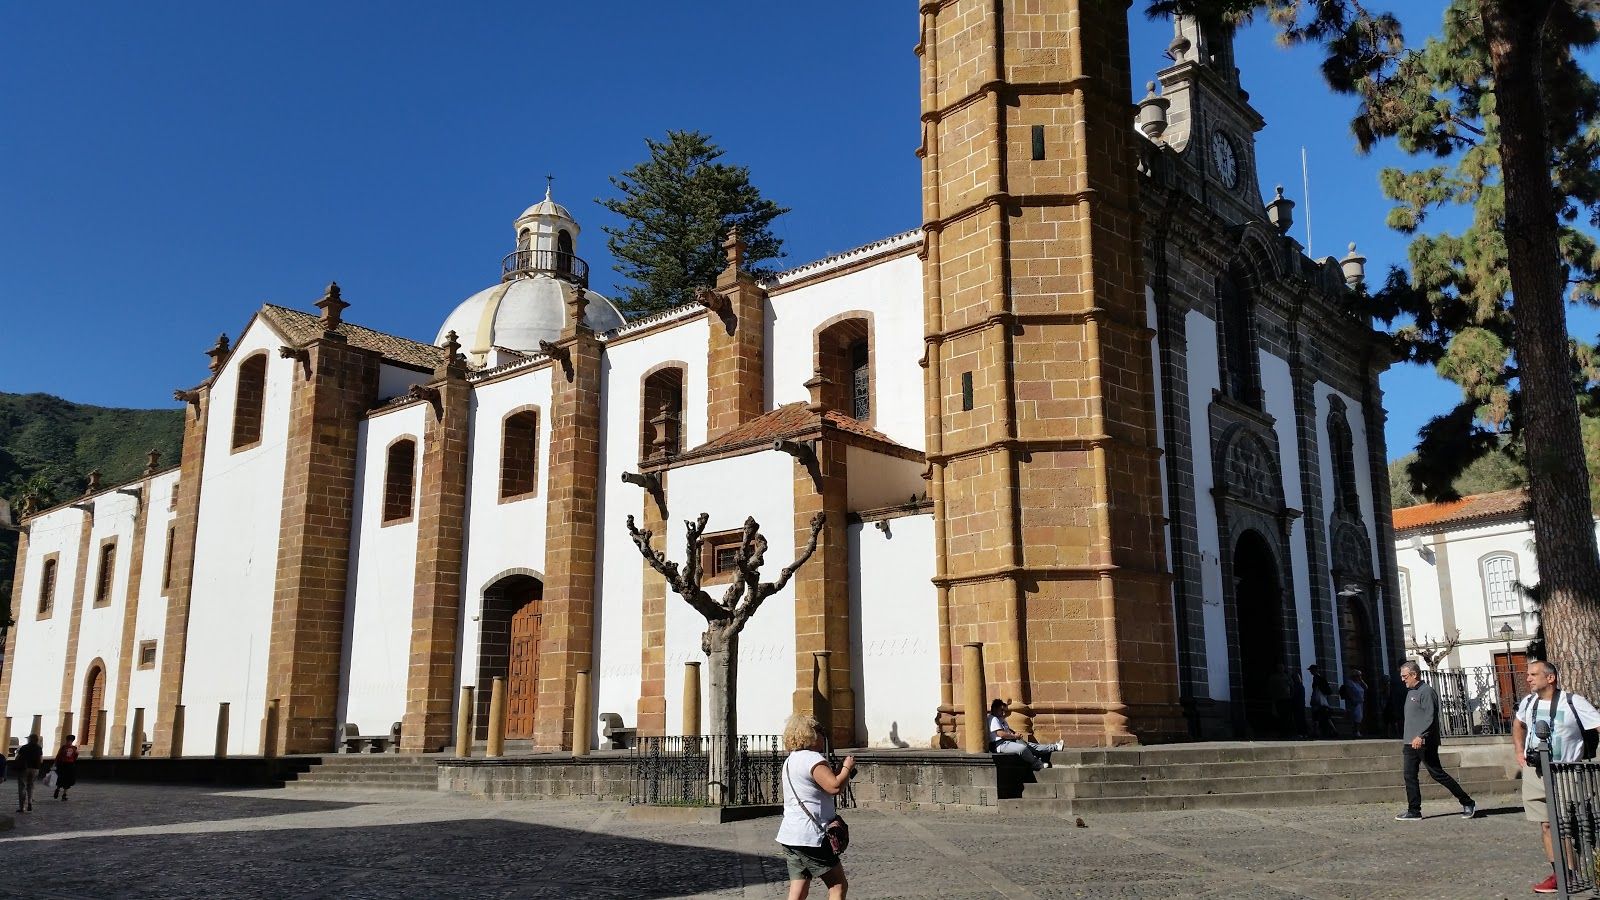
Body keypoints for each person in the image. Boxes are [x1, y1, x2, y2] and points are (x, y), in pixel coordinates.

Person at [1511, 659, 1600, 895]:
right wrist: (1519, 751)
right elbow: (1518, 724)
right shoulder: (1529, 702)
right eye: (1528, 674)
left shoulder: (1573, 702)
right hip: (1535, 771)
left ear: (1550, 678)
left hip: (1564, 771)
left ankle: (1575, 872)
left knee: (1564, 824)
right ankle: (1562, 874)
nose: (1528, 678)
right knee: (1547, 825)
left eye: (1533, 674)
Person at [778, 714, 854, 900]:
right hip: (812, 837)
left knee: (798, 891)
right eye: (820, 732)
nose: (823, 736)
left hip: (790, 835)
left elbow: (818, 786)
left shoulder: (791, 760)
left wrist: (837, 773)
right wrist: (847, 767)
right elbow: (834, 787)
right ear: (810, 734)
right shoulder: (813, 759)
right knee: (838, 886)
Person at [1394, 660, 1475, 822]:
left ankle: (1467, 802)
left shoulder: (1427, 692)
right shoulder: (1410, 692)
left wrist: (1421, 735)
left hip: (1424, 742)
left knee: (1437, 774)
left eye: (1405, 676)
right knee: (1409, 776)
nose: (1403, 679)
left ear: (1414, 674)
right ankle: (1414, 810)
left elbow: (1430, 717)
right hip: (1409, 742)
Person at [986, 699, 1062, 771]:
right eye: (1001, 710)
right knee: (1022, 749)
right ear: (994, 709)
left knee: (1030, 745)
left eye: (1004, 710)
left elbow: (1007, 730)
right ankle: (1036, 763)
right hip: (1000, 744)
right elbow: (1001, 734)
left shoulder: (1001, 719)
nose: (1003, 713)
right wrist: (1015, 736)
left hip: (1008, 741)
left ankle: (1055, 747)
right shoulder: (993, 719)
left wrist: (1014, 733)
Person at [11, 734, 44, 813]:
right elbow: (41, 760)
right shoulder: (39, 748)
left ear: (29, 739)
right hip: (35, 769)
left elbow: (17, 758)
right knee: (31, 786)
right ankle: (30, 802)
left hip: (24, 769)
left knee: (22, 787)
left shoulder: (24, 747)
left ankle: (22, 807)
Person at [1307, 665, 1337, 739]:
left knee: (1316, 717)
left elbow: (1316, 691)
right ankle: (1333, 730)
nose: (1310, 671)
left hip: (1319, 701)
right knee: (1325, 717)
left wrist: (1314, 699)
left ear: (1315, 670)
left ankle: (1316, 732)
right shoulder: (1319, 678)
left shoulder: (1317, 679)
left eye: (1311, 670)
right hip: (1322, 701)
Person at [1267, 663, 1295, 738]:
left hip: (1287, 699)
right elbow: (1271, 688)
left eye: (1282, 667)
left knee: (1288, 716)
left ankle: (1288, 732)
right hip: (1278, 699)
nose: (1281, 669)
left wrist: (1292, 696)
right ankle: (1281, 732)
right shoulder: (1273, 677)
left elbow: (1292, 687)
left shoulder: (1288, 676)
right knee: (1280, 716)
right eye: (1279, 667)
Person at [53, 734, 79, 801]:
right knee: (66, 779)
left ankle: (61, 792)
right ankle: (62, 793)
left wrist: (55, 763)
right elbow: (75, 757)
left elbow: (58, 756)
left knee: (62, 778)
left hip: (63, 764)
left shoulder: (64, 747)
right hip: (68, 765)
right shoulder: (74, 748)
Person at [1344, 669, 1368, 736]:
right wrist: (1352, 700)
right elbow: (1349, 692)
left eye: (1360, 675)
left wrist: (1361, 680)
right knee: (1356, 717)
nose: (1359, 677)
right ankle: (1356, 731)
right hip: (1354, 702)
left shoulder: (1359, 683)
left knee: (1360, 717)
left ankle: (1357, 731)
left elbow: (1366, 687)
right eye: (1357, 675)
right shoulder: (1349, 682)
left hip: (1360, 702)